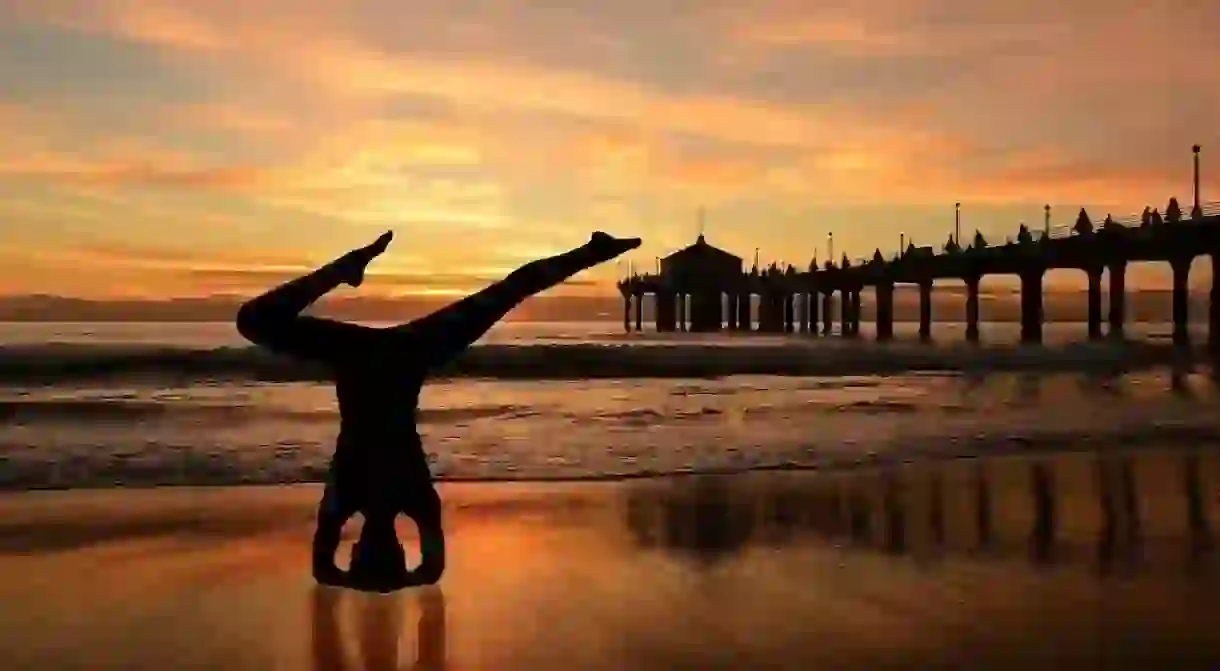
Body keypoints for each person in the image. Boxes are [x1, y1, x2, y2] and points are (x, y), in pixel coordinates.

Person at [236, 230, 642, 590]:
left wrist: (400, 579)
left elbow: (431, 570)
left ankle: (592, 252)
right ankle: (345, 268)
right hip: (379, 354)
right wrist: (358, 579)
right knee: (254, 319)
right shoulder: (345, 498)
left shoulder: (416, 501)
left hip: (407, 351)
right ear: (357, 548)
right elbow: (325, 570)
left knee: (507, 292)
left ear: (399, 547)